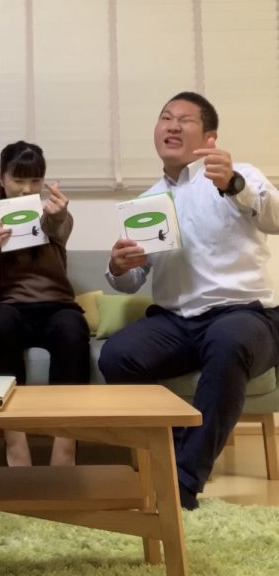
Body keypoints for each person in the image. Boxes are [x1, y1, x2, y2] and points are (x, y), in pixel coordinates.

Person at [98, 91, 279, 510]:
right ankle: (180, 446)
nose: (173, 125)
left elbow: (276, 217)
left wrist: (234, 185)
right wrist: (119, 267)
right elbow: (132, 281)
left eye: (185, 119)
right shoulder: (146, 202)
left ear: (209, 137)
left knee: (228, 340)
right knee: (117, 356)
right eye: (166, 118)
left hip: (244, 316)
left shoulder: (239, 176)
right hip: (176, 324)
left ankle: (181, 484)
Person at [0, 141, 90, 466]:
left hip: (56, 307)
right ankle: (15, 442)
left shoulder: (53, 220)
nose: (26, 189)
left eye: (35, 181)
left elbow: (59, 227)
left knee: (72, 327)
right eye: (18, 180)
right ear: (1, 179)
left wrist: (58, 216)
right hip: (8, 310)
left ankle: (65, 445)